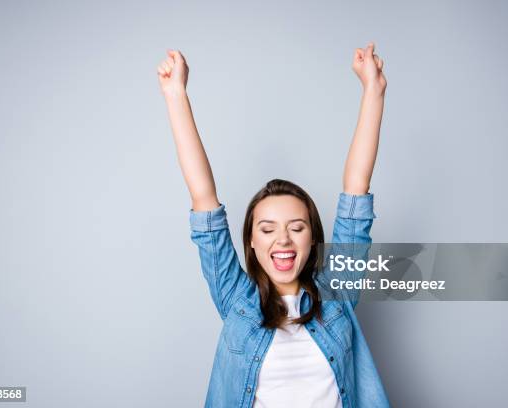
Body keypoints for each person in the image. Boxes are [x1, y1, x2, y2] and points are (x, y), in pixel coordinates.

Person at [157, 43, 390, 408]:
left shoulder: (338, 295)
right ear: (251, 241)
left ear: (313, 238)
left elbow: (356, 192)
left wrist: (373, 91)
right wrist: (176, 96)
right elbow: (203, 197)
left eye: (297, 227)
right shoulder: (236, 300)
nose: (283, 239)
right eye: (267, 229)